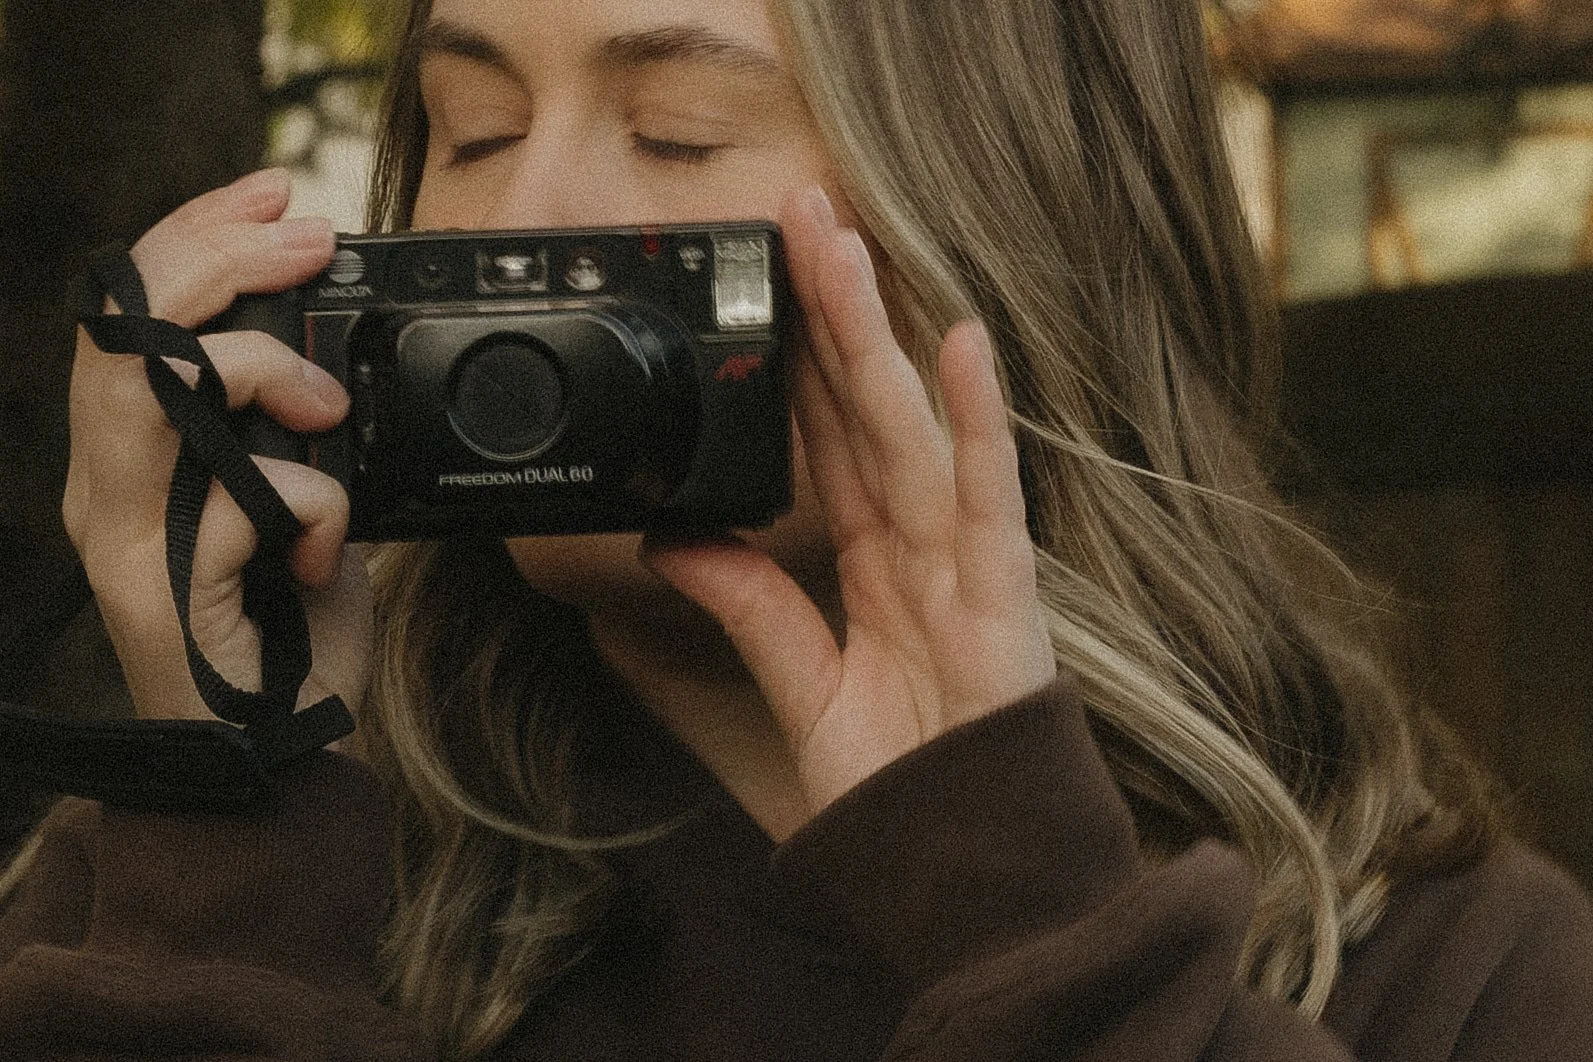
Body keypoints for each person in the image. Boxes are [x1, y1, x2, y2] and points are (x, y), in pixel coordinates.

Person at [2, 0, 1591, 1057]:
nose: (522, 214)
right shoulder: (175, 899)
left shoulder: (1453, 978)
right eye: (469, 132)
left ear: (1012, 229)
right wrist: (241, 813)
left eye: (680, 134)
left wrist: (1022, 923)